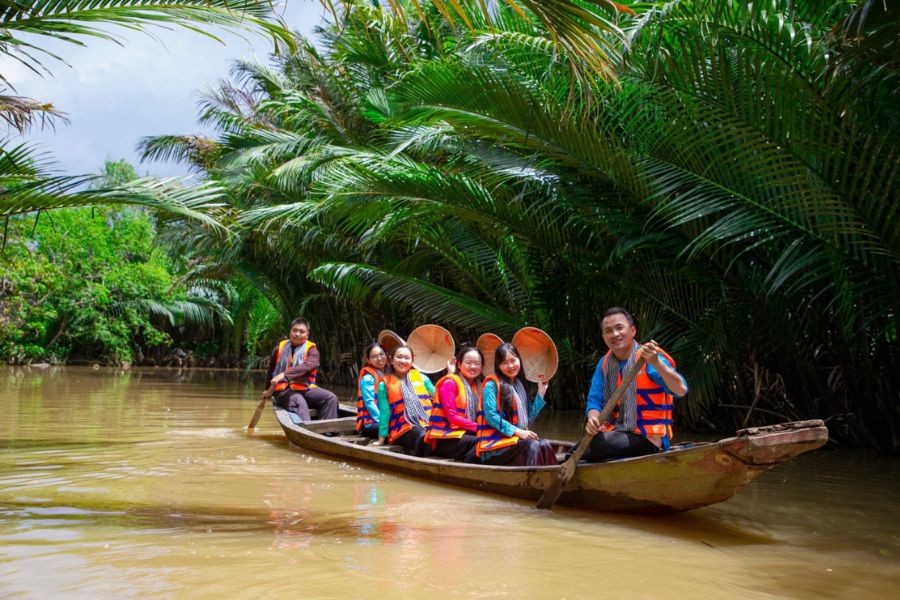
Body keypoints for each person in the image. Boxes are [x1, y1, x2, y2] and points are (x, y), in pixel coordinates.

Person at [582, 307, 688, 461]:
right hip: (615, 433)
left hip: (648, 438)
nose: (615, 334)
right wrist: (593, 419)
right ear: (604, 336)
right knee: (583, 446)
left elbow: (681, 390)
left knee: (598, 444)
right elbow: (595, 401)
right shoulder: (604, 363)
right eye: (609, 331)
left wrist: (657, 363)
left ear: (632, 331)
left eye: (619, 328)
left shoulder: (648, 357)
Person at [474, 343, 558, 466]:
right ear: (498, 366)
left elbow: (528, 419)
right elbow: (491, 416)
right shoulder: (491, 386)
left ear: (519, 360)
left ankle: (553, 475)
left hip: (514, 440)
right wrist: (518, 431)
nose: (511, 366)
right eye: (504, 363)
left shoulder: (520, 386)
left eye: (513, 360)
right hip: (494, 447)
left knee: (544, 443)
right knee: (533, 445)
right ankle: (533, 480)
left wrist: (542, 390)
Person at [262, 317, 339, 422]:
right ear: (290, 332)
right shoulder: (280, 348)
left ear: (307, 334)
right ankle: (307, 431)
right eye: (294, 330)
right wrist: (267, 390)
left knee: (330, 398)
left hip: (305, 388)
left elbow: (306, 366)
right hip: (283, 390)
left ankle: (328, 432)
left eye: (301, 332)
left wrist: (284, 374)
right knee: (299, 401)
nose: (297, 334)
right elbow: (271, 371)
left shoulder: (312, 350)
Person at [371, 345, 433, 457]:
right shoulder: (383, 385)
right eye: (399, 357)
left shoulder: (423, 378)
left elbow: (440, 397)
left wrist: (450, 374)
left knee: (434, 433)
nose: (403, 361)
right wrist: (381, 439)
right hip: (401, 429)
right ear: (391, 360)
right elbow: (385, 413)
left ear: (412, 361)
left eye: (407, 358)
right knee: (422, 435)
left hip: (426, 422)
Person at [424, 345, 481, 461]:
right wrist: (480, 428)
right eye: (469, 363)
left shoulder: (478, 386)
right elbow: (452, 417)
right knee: (481, 443)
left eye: (477, 363)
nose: (473, 366)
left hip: (464, 433)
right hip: (444, 437)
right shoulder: (450, 383)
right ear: (459, 365)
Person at [356, 342, 387, 438]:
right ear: (369, 360)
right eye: (374, 356)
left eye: (381, 354)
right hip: (371, 424)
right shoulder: (368, 378)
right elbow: (370, 403)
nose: (379, 358)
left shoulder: (387, 375)